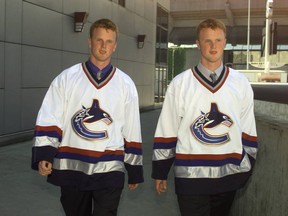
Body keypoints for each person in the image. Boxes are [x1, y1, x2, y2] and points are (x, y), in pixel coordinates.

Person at [31, 18, 144, 216]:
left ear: (115, 46)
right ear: (89, 41)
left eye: (109, 41)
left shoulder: (126, 84)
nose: (103, 46)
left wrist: (134, 169)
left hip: (110, 167)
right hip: (72, 166)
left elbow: (132, 128)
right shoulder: (67, 78)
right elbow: (51, 116)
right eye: (99, 40)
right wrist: (45, 154)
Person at [152, 18, 258, 216]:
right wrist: (160, 170)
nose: (213, 46)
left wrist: (247, 165)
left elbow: (248, 128)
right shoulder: (180, 84)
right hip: (190, 177)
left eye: (218, 40)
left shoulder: (241, 83)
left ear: (225, 42)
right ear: (198, 43)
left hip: (228, 175)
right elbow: (168, 129)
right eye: (207, 41)